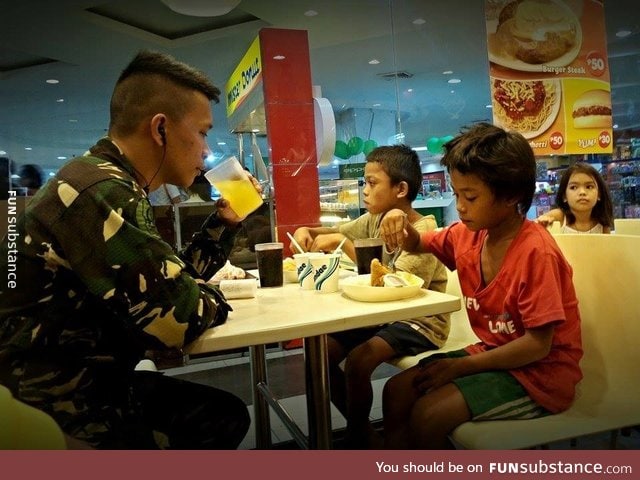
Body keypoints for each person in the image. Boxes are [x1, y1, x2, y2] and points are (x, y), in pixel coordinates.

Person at [0, 50, 254, 449]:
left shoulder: (100, 179)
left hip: (64, 383)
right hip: (56, 403)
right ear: (160, 129)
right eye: (203, 132)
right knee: (220, 418)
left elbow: (165, 289)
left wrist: (223, 225)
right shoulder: (102, 193)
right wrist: (209, 298)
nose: (206, 150)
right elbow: (179, 319)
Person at [379, 123, 583, 449]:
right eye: (457, 194)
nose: (459, 205)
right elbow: (418, 243)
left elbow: (537, 346)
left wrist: (461, 367)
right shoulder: (468, 234)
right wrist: (400, 221)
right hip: (492, 353)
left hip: (540, 377)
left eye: (470, 196)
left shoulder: (536, 251)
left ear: (511, 195)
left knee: (429, 415)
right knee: (396, 391)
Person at [292, 145, 449, 448]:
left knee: (360, 360)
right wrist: (306, 231)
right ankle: (361, 430)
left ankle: (358, 437)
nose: (365, 190)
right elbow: (336, 230)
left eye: (372, 183)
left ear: (400, 189)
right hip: (379, 316)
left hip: (420, 320)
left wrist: (342, 243)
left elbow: (393, 284)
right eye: (365, 182)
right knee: (319, 353)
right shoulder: (372, 220)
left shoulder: (423, 228)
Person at [536, 162, 613, 233]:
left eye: (589, 187)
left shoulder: (603, 223)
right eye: (573, 187)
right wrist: (542, 221)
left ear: (599, 194)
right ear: (564, 196)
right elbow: (536, 224)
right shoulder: (560, 217)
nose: (582, 192)